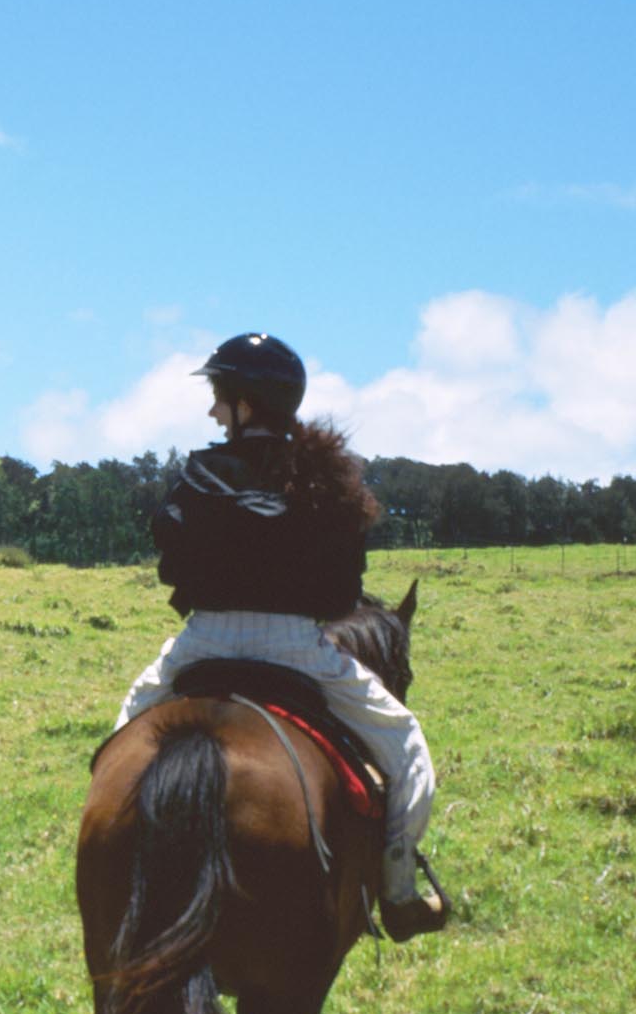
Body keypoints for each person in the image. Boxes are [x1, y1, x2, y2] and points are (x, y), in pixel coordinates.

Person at [111, 334, 447, 942]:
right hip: (298, 646)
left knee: (121, 737)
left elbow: (172, 560)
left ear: (244, 404)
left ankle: (117, 872)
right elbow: (344, 587)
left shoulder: (199, 472)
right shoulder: (325, 480)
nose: (214, 412)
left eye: (219, 398)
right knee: (408, 748)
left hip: (202, 641)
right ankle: (398, 892)